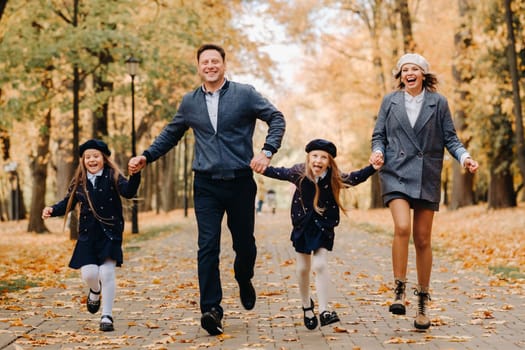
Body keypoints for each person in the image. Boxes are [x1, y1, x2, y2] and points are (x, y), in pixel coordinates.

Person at [128, 43, 285, 335]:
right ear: (198, 67)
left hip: (240, 182)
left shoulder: (245, 94)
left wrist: (266, 151)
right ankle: (211, 309)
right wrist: (146, 156)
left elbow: (276, 118)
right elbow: (170, 134)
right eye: (205, 62)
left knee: (244, 245)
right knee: (207, 246)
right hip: (205, 185)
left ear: (223, 65)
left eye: (215, 61)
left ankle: (243, 276)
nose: (210, 66)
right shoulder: (190, 102)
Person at [369, 53, 479, 330]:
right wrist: (378, 152)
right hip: (395, 172)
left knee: (422, 240)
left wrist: (464, 157)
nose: (409, 72)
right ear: (400, 75)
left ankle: (422, 302)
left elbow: (450, 138)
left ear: (423, 75)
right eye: (405, 69)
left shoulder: (438, 102)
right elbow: (378, 135)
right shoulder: (389, 101)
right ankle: (399, 289)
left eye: (415, 69)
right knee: (402, 227)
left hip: (426, 174)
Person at [262, 139, 379, 330]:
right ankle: (307, 306)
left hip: (323, 225)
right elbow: (278, 172)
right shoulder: (298, 172)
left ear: (329, 161)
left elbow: (354, 178)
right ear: (309, 158)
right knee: (302, 269)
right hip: (302, 225)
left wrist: (372, 168)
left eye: (323, 157)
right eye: (315, 156)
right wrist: (260, 167)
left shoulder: (333, 176)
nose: (318, 160)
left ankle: (324, 311)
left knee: (320, 264)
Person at [42, 139, 141, 332]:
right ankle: (95, 291)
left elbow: (128, 192)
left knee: (107, 273)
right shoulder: (79, 182)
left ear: (103, 158)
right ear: (83, 160)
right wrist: (52, 210)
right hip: (87, 235)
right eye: (88, 157)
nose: (92, 160)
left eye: (96, 156)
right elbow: (67, 204)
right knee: (89, 274)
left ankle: (107, 315)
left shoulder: (113, 176)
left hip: (110, 233)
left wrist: (135, 175)